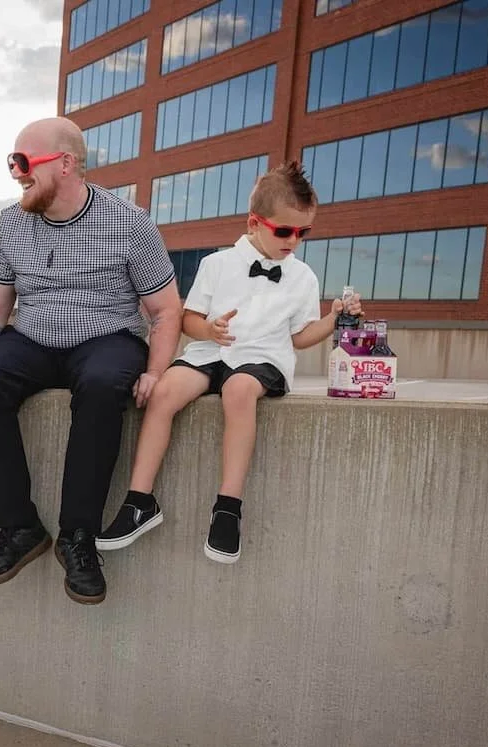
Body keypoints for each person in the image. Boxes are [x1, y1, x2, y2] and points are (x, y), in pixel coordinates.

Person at [0, 117, 182, 605]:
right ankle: (20, 529)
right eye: (12, 162)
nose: (15, 172)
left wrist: (157, 372)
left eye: (24, 162)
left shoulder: (129, 222)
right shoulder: (13, 222)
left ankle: (80, 537)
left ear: (67, 163)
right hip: (32, 337)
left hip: (106, 336)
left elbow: (164, 310)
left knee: (101, 385)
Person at [95, 160, 363, 564]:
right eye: (285, 231)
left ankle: (228, 508)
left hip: (262, 358)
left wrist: (331, 319)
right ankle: (139, 502)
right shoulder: (216, 264)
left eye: (303, 232)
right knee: (165, 390)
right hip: (210, 352)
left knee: (239, 391)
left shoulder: (303, 277)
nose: (295, 240)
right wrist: (210, 330)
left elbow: (299, 337)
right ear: (254, 222)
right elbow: (188, 319)